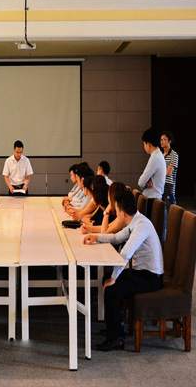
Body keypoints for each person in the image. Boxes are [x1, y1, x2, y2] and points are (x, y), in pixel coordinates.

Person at [83, 190, 163, 351]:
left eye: (116, 209)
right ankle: (116, 326)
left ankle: (115, 339)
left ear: (122, 212)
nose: (115, 212)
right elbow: (116, 238)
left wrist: (114, 277)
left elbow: (126, 253)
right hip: (141, 272)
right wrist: (96, 237)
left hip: (151, 277)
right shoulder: (135, 221)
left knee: (112, 289)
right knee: (106, 279)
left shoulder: (141, 226)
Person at [138, 127, 166, 219]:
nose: (144, 147)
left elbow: (141, 182)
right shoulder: (158, 155)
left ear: (148, 144)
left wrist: (144, 184)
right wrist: (145, 183)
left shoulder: (155, 158)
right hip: (154, 198)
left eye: (144, 144)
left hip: (152, 200)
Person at [160, 130, 179, 212]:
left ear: (169, 141)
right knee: (160, 214)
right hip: (160, 186)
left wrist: (158, 172)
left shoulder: (174, 154)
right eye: (161, 140)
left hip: (168, 187)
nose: (162, 142)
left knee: (170, 213)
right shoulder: (160, 154)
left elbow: (168, 173)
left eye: (164, 140)